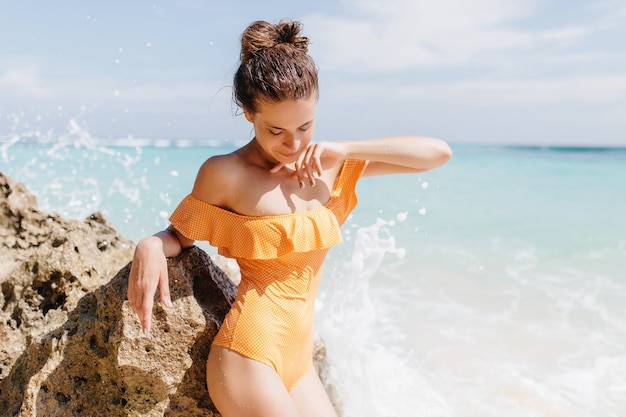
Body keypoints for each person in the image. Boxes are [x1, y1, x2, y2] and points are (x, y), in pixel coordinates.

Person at [127, 19, 452, 417]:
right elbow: (181, 236)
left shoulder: (329, 164)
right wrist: (150, 243)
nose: (293, 144)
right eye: (276, 129)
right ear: (248, 113)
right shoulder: (225, 173)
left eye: (305, 126)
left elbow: (436, 154)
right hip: (248, 355)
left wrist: (346, 149)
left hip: (299, 366)